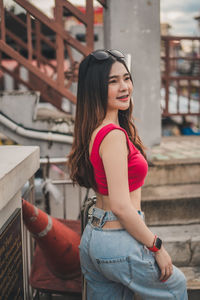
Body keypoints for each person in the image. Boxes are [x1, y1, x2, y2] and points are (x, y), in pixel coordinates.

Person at [68, 49, 188, 300]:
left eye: (126, 78)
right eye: (113, 82)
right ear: (95, 88)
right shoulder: (112, 135)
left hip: (95, 239)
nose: (124, 87)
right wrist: (156, 245)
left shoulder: (96, 129)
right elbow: (122, 206)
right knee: (176, 287)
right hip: (117, 238)